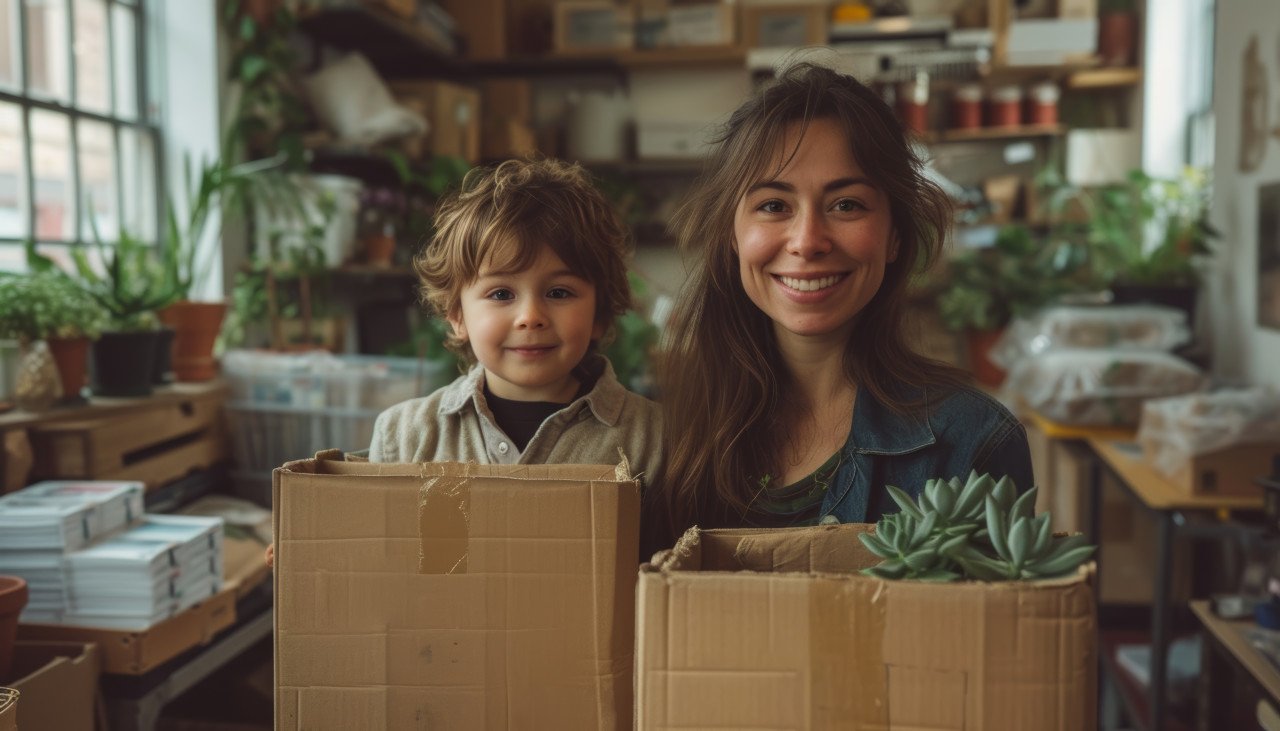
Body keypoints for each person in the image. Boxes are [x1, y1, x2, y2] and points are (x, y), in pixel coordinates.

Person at [642, 63, 1033, 556]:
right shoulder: (662, 438)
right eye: (773, 206)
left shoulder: (974, 444)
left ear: (893, 235)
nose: (807, 242)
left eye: (846, 205)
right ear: (731, 234)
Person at [268, 157, 662, 568]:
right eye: (501, 294)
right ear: (457, 315)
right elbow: (379, 568)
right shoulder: (406, 437)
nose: (530, 315)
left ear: (599, 313)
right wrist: (317, 549)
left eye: (560, 292)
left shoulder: (651, 441)